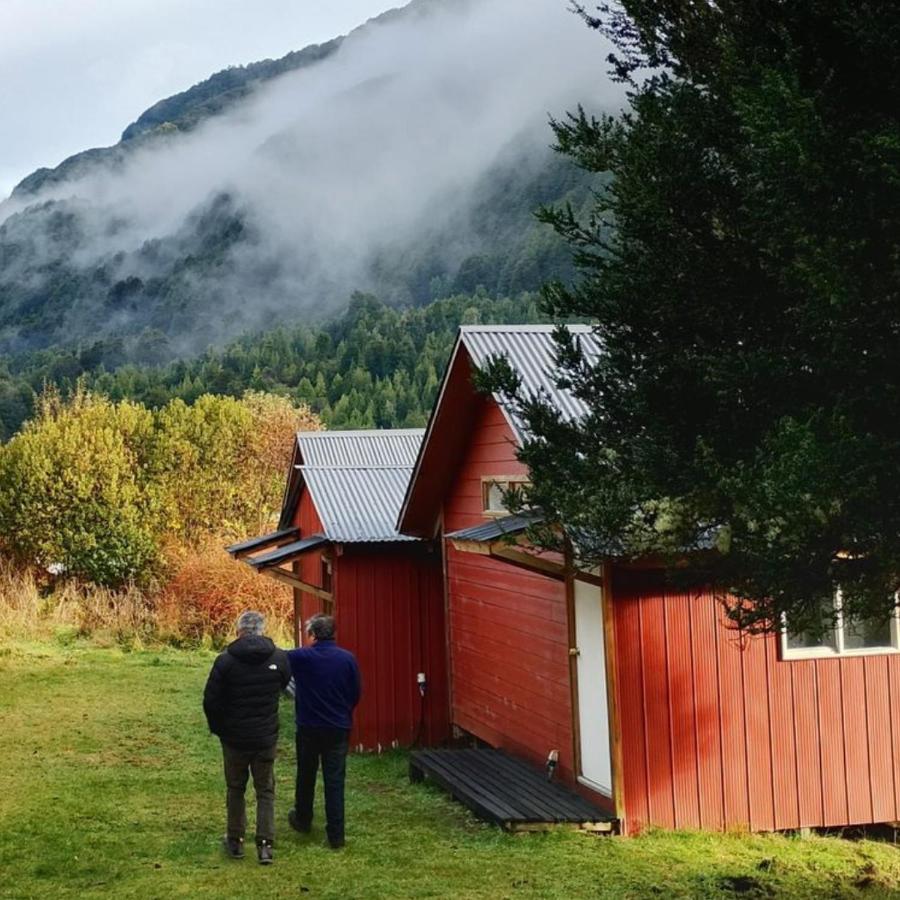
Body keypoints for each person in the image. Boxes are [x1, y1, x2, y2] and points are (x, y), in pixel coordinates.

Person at [203, 610, 290, 865]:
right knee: (265, 790)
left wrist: (220, 729)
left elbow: (211, 700)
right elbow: (285, 687)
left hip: (235, 738)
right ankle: (265, 845)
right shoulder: (279, 657)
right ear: (262, 629)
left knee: (235, 788)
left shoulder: (225, 661)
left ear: (239, 630)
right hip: (265, 736)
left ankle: (235, 840)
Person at [287, 614, 361, 849]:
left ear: (313, 635)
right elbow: (356, 691)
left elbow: (278, 663)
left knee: (306, 774)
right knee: (335, 780)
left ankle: (303, 819)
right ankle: (336, 835)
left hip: (309, 725)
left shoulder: (301, 657)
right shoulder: (347, 659)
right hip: (338, 727)